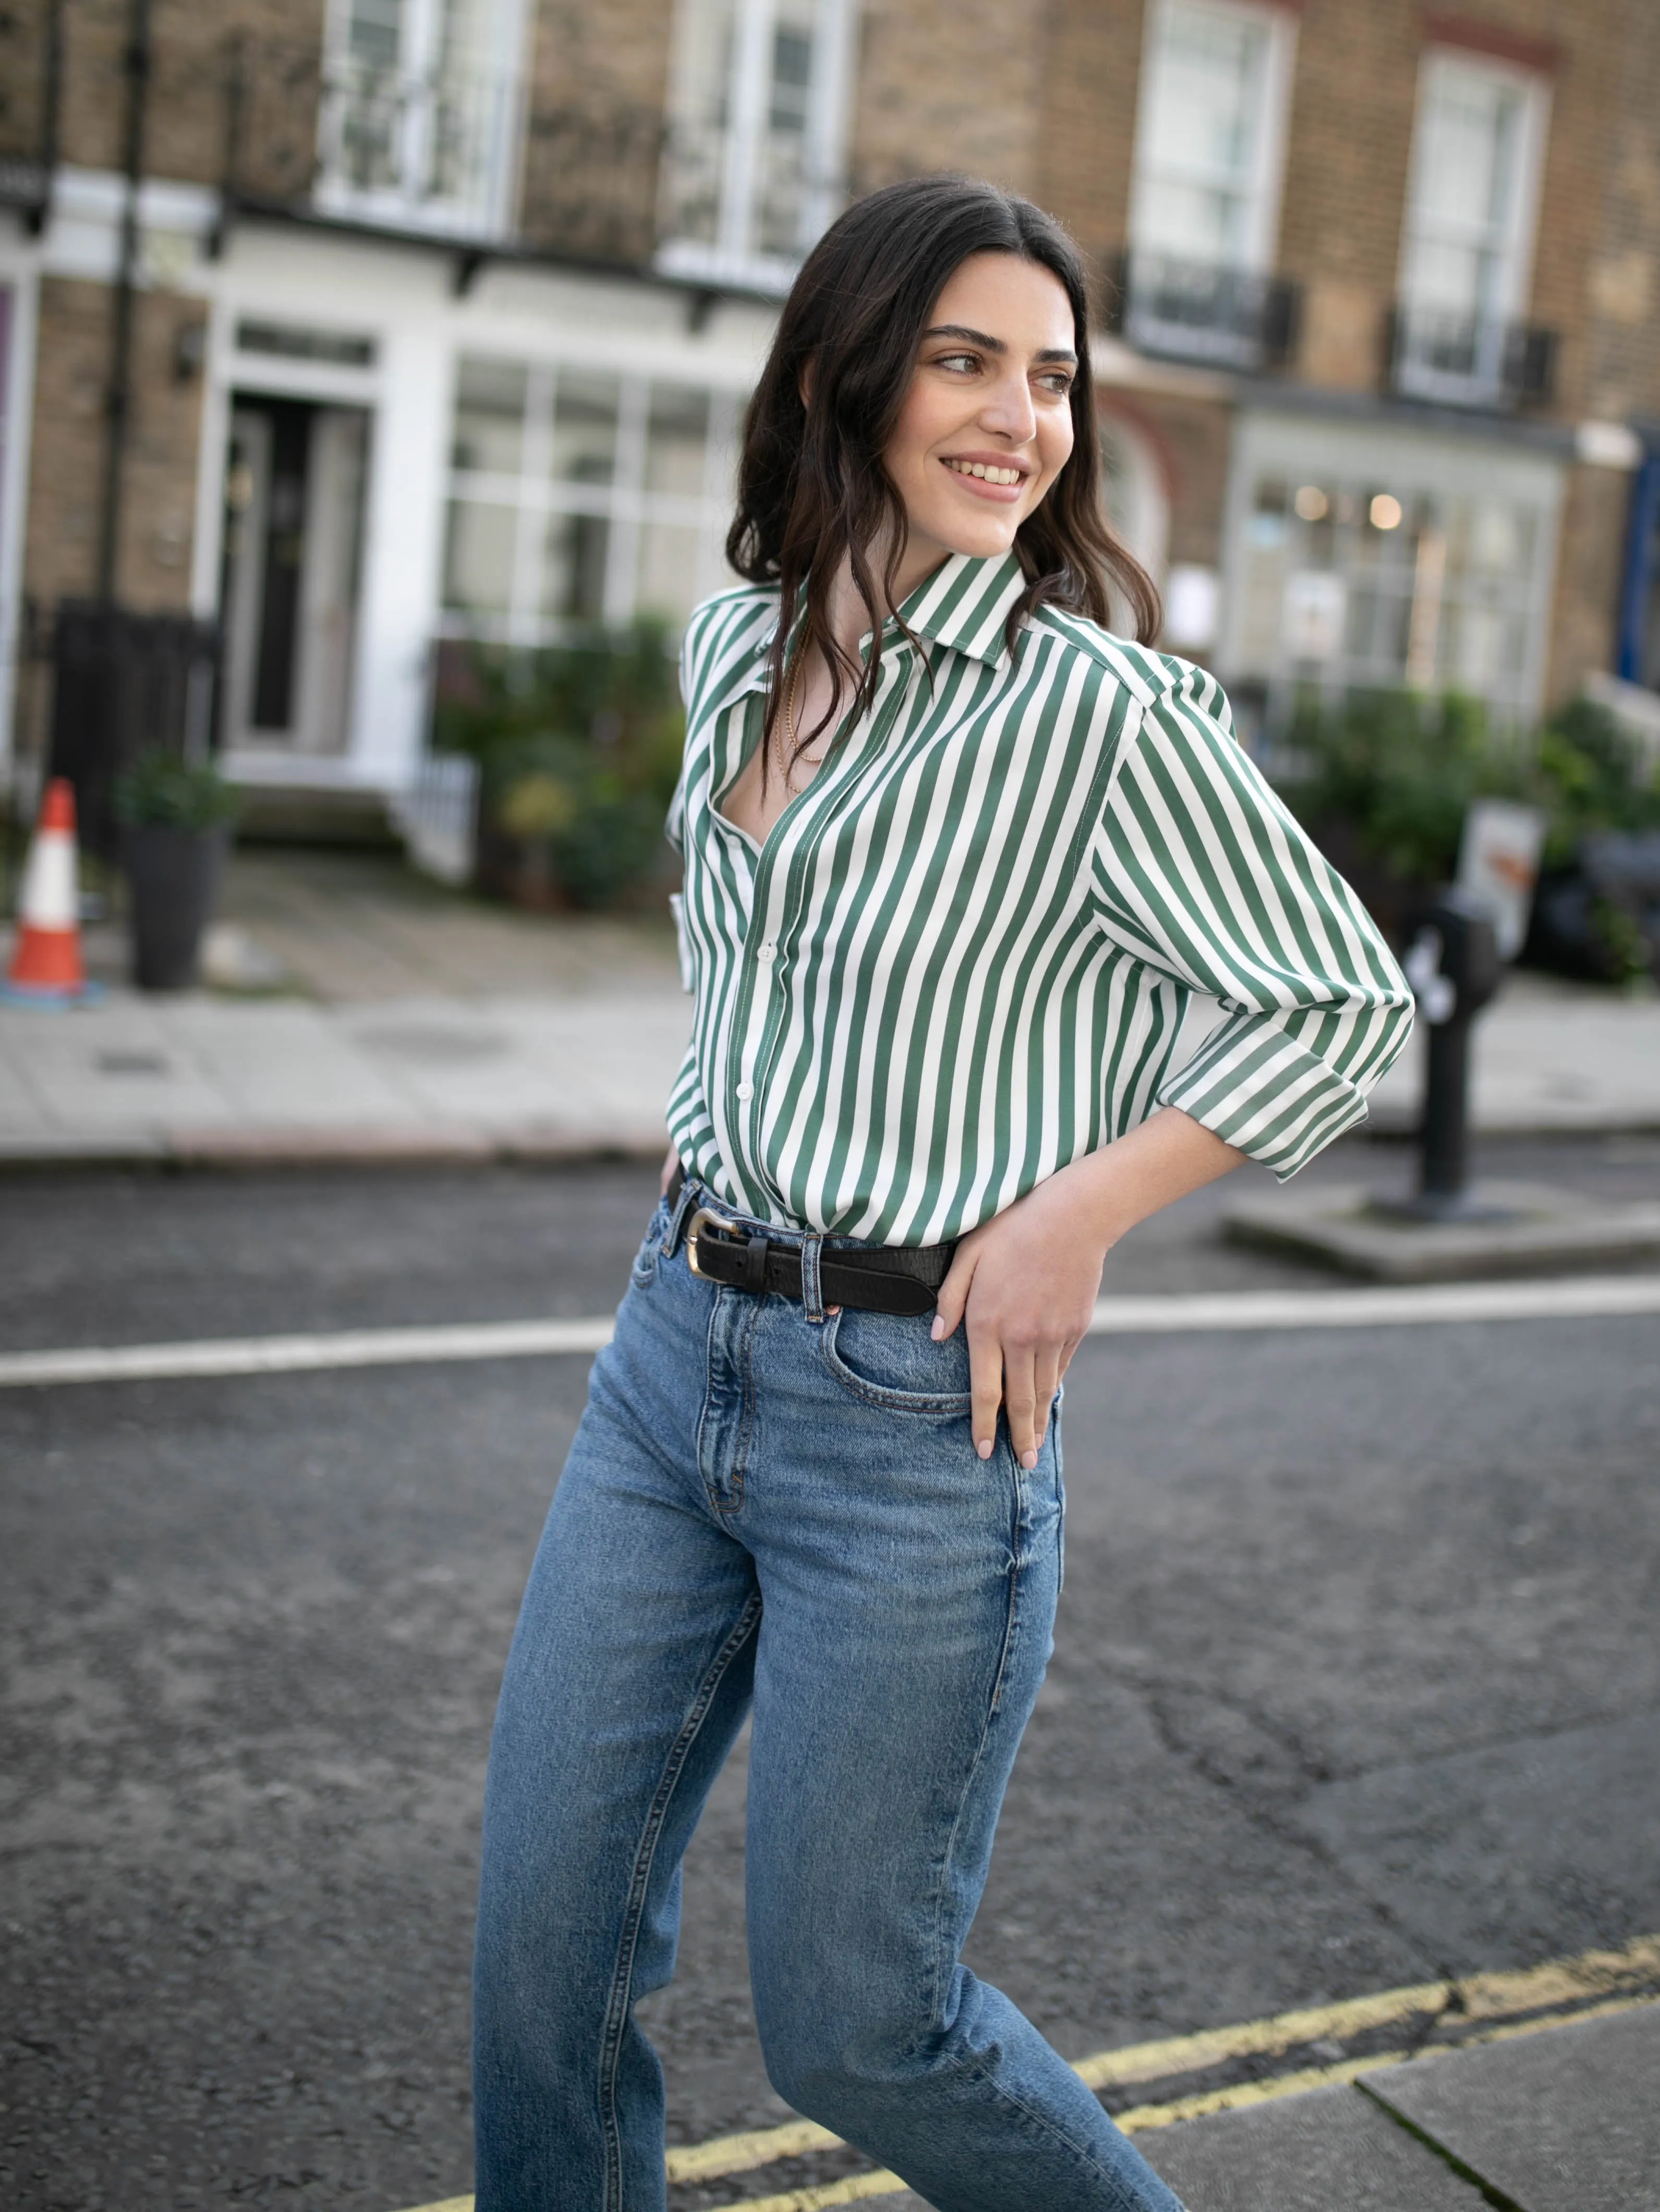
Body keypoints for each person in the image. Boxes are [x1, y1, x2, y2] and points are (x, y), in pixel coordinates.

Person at [471, 176, 1414, 2212]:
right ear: (848, 373)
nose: (1020, 417)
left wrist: (1075, 1214)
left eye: (1053, 377)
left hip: (916, 1427)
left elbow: (1343, 1008)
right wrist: (726, 1126)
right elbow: (755, 947)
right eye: (967, 360)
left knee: (859, 2028)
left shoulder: (1097, 716)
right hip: (669, 1360)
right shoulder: (741, 645)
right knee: (539, 1958)